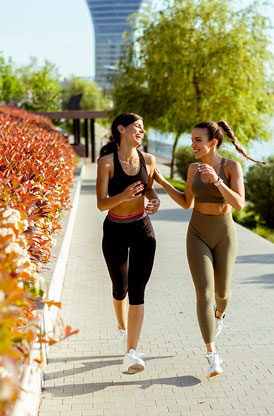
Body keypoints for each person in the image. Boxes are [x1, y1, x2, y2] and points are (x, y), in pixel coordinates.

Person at [153, 120, 265, 377]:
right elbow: (185, 202)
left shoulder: (231, 167)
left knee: (222, 293)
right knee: (203, 292)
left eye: (198, 140)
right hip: (197, 232)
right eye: (191, 140)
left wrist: (217, 181)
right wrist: (161, 181)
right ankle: (212, 354)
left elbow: (239, 204)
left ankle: (220, 313)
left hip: (224, 232)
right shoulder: (193, 168)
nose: (192, 144)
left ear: (213, 142)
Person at [96, 113, 160, 375]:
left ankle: (131, 352)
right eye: (137, 126)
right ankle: (122, 328)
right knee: (119, 288)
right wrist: (121, 196)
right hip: (115, 230)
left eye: (144, 128)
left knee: (138, 290)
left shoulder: (149, 160)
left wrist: (155, 200)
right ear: (121, 129)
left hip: (142, 228)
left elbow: (149, 189)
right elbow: (101, 203)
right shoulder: (107, 162)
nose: (141, 131)